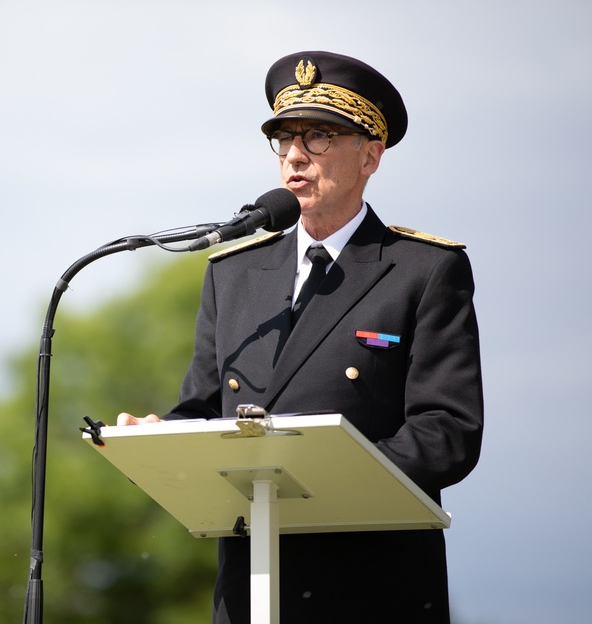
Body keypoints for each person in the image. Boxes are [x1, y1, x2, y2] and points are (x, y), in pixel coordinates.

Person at [117, 50, 483, 623]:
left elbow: (448, 431)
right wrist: (162, 437)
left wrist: (327, 483)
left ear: (371, 155)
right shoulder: (232, 273)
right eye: (284, 140)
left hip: (371, 583)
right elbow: (203, 406)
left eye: (318, 137)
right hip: (252, 584)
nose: (294, 156)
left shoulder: (422, 270)